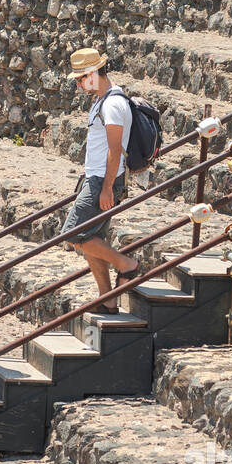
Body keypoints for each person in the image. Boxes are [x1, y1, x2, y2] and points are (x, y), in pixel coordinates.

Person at [62, 47, 142, 313]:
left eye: (81, 78)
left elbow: (115, 149)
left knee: (74, 234)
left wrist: (107, 188)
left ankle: (126, 265)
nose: (79, 83)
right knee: (91, 239)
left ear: (94, 74)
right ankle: (107, 300)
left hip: (102, 180)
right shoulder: (101, 100)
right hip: (95, 178)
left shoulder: (113, 104)